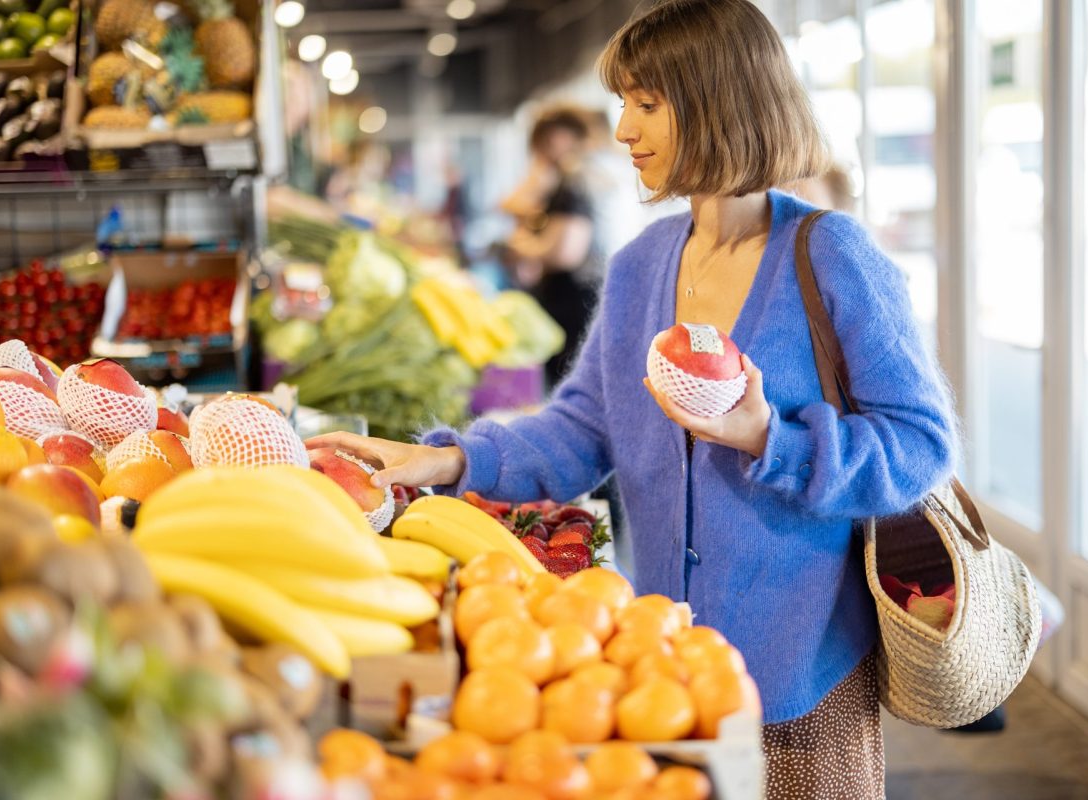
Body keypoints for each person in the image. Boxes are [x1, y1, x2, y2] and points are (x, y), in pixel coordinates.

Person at [307, 1, 957, 797]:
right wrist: (446, 458)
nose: (622, 130)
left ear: (721, 101)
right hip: (653, 672)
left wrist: (768, 437)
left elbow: (920, 446)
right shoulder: (643, 265)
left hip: (799, 680)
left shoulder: (831, 255)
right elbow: (585, 427)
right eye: (624, 104)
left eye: (646, 104)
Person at [500, 105, 603, 387]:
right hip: (571, 296)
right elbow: (510, 203)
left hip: (573, 300)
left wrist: (520, 248)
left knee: (567, 383)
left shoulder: (573, 185)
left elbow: (565, 254)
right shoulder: (567, 181)